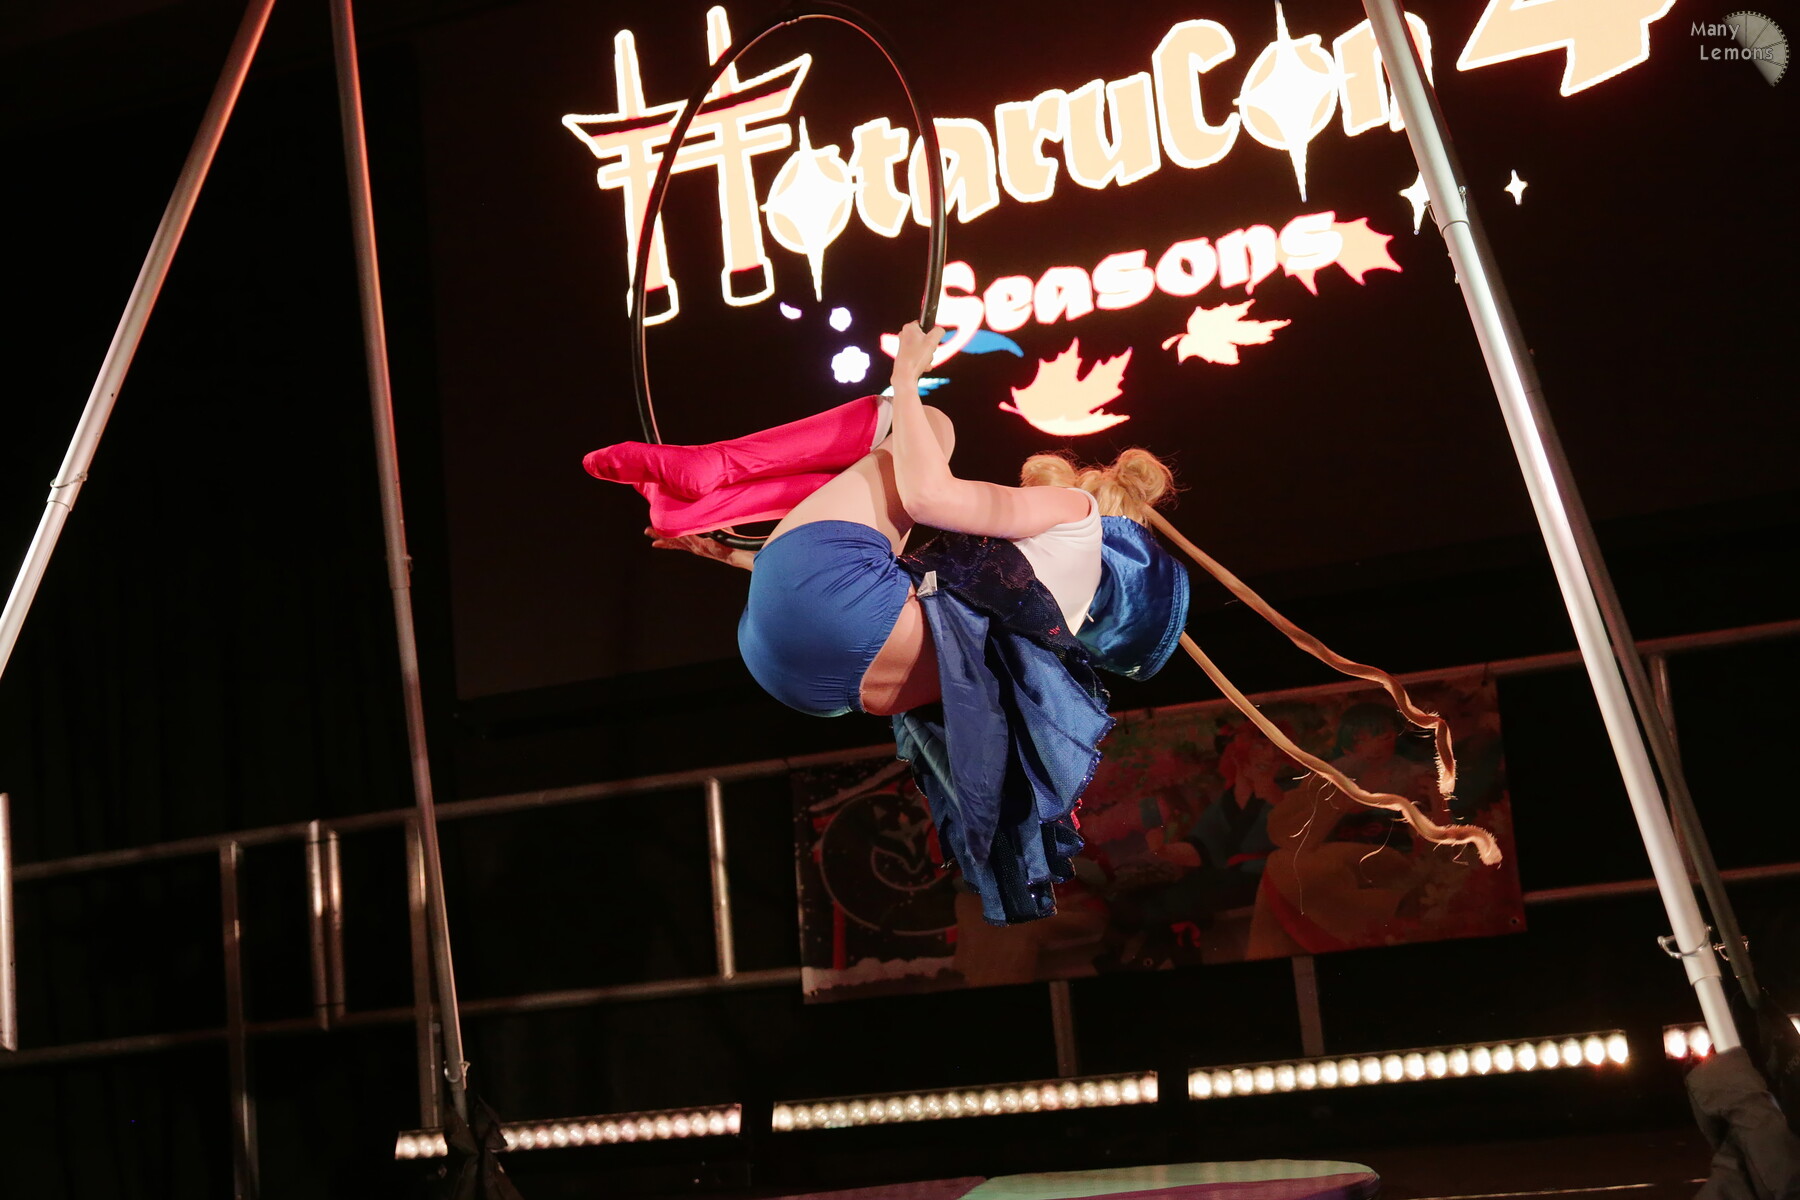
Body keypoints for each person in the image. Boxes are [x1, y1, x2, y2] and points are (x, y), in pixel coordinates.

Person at [583, 322, 1190, 925]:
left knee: (930, 427)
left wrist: (907, 376)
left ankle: (711, 470)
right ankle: (707, 496)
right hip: (803, 678)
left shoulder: (1078, 515)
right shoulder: (1058, 635)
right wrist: (735, 556)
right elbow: (906, 623)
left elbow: (928, 497)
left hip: (836, 611)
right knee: (877, 478)